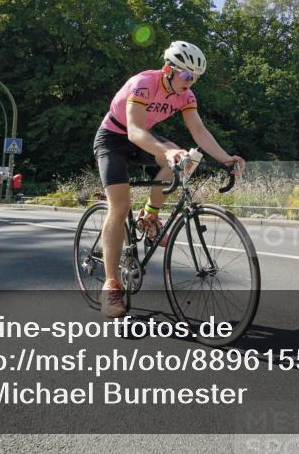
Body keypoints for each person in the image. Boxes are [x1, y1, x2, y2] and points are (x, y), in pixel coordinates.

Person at [93, 41, 245, 319]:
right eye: (187, 76)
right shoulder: (143, 82)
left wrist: (226, 159)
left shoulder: (186, 96)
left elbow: (199, 132)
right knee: (120, 206)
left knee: (190, 158)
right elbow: (135, 131)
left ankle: (149, 216)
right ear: (168, 70)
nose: (191, 82)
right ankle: (111, 284)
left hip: (141, 140)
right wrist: (168, 151)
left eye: (196, 77)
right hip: (114, 140)